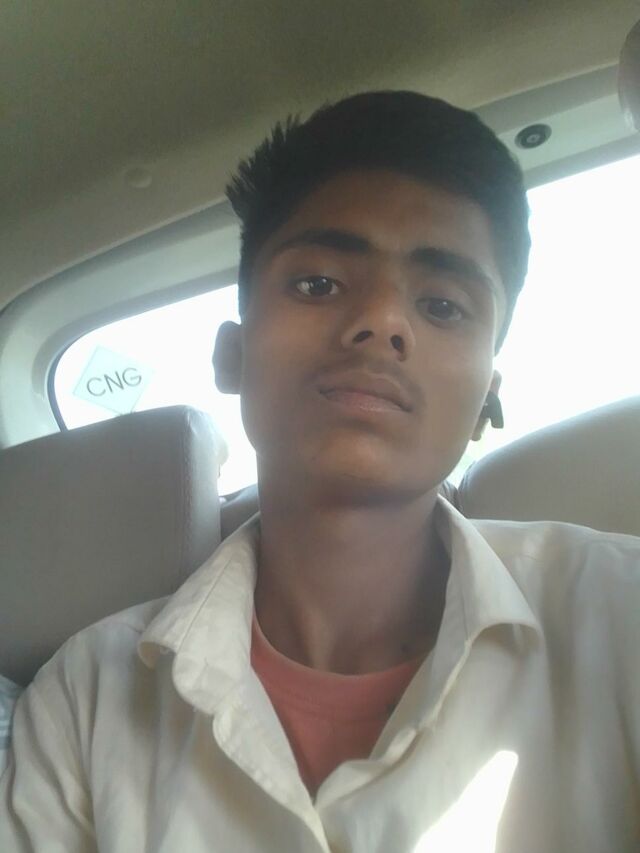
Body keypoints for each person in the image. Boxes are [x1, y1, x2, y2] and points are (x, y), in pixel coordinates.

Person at [1, 91, 638, 853]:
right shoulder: (83, 699)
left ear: (486, 401)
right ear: (231, 355)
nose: (383, 321)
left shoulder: (621, 617)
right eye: (319, 284)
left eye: (442, 305)